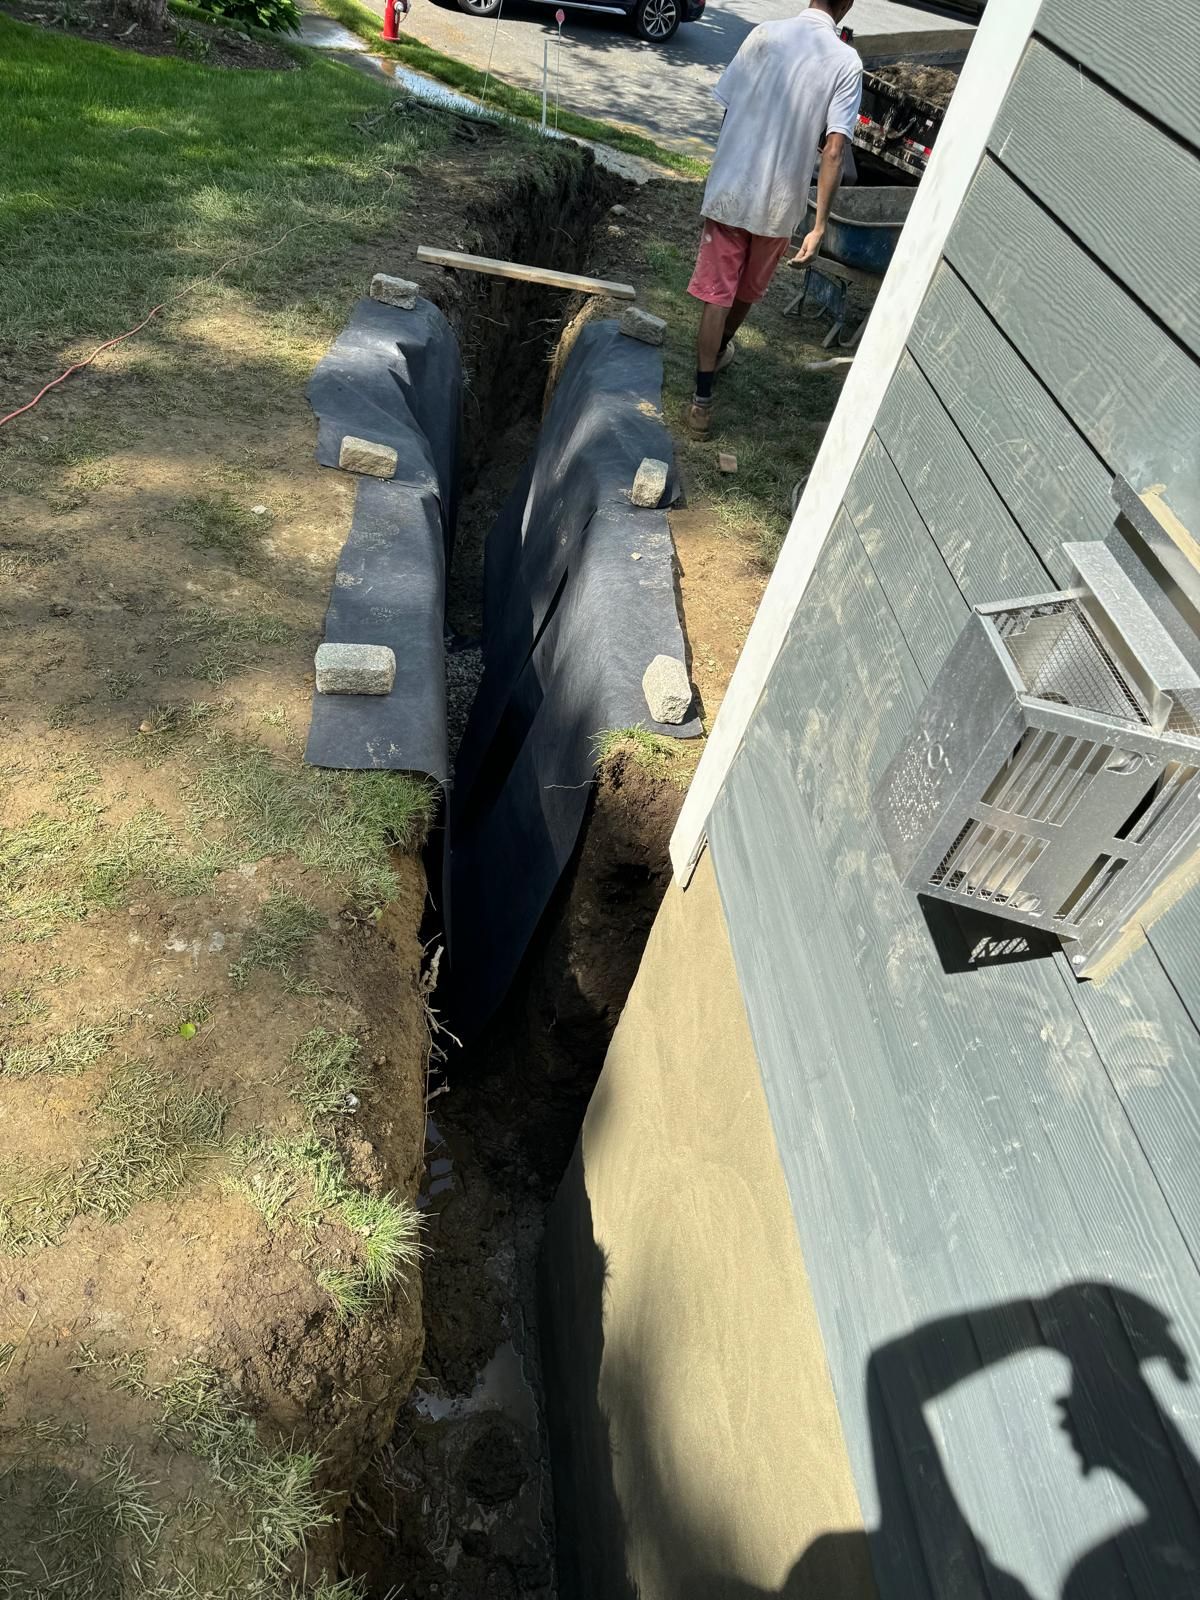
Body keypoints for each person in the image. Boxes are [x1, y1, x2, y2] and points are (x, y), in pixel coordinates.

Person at [686, 0, 862, 438]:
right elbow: (834, 151)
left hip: (732, 188)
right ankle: (720, 351)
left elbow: (729, 106)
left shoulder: (763, 33)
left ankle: (701, 402)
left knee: (717, 294)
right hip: (780, 202)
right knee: (745, 291)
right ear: (847, 5)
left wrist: (724, 172)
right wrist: (819, 226)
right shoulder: (845, 62)